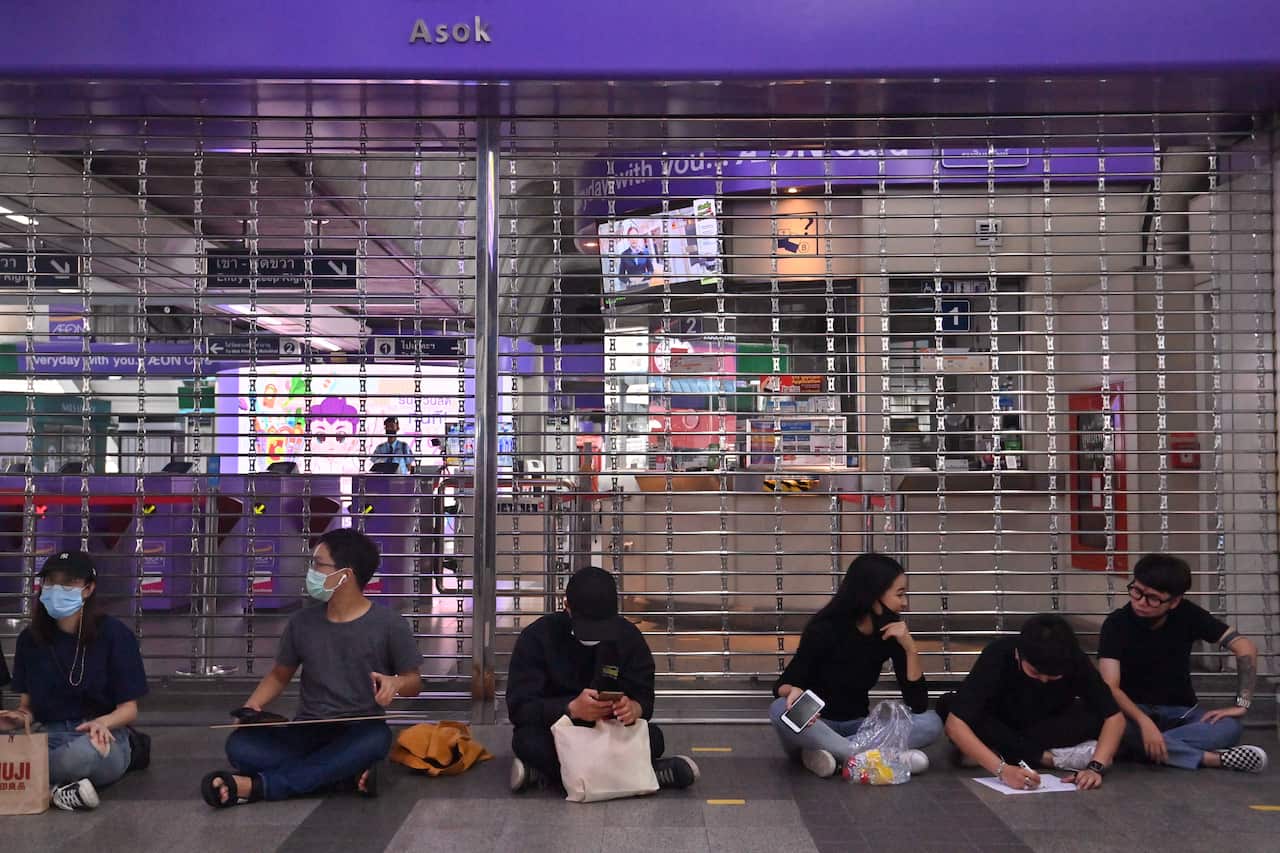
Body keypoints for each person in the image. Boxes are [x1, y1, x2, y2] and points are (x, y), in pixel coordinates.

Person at [201, 528, 422, 807]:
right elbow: (280, 675)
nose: (312, 571)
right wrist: (251, 708)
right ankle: (343, 775)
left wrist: (396, 683)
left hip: (359, 730)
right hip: (306, 729)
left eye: (318, 564)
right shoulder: (302, 622)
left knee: (376, 741)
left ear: (346, 575)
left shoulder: (390, 624)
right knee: (240, 746)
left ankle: (258, 786)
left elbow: (414, 682)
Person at [505, 566, 698, 794]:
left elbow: (644, 700)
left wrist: (633, 708)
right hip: (560, 732)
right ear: (566, 607)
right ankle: (648, 774)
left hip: (608, 731)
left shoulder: (627, 637)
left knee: (654, 738)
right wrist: (570, 709)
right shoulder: (537, 638)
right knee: (527, 742)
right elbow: (520, 709)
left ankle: (546, 776)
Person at [769, 553, 942, 778]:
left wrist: (910, 649)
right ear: (873, 595)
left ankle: (833, 757)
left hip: (860, 726)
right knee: (779, 709)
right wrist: (793, 692)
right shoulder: (825, 629)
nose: (905, 602)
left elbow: (917, 704)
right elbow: (781, 687)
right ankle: (867, 757)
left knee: (931, 722)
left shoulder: (890, 632)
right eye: (899, 594)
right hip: (817, 725)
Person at [0, 550, 147, 811]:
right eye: (50, 582)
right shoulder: (29, 640)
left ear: (88, 589)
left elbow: (129, 709)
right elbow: (28, 708)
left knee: (80, 756)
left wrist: (103, 722)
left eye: (68, 583)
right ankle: (59, 792)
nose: (56, 589)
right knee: (49, 756)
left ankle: (34, 782)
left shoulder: (114, 634)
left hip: (101, 738)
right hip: (50, 735)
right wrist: (18, 718)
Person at [1099, 553, 1267, 773]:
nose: (1140, 602)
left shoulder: (1188, 614)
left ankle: (1149, 750)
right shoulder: (1116, 623)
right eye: (1136, 591)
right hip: (1133, 713)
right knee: (1110, 726)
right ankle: (1211, 759)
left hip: (1182, 712)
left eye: (1153, 598)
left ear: (1175, 601)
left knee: (1229, 727)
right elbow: (1110, 686)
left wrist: (1241, 704)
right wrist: (1144, 722)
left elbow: (1246, 648)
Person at [940, 613, 1125, 791]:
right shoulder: (998, 654)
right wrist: (1003, 771)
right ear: (1018, 656)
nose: (1043, 680)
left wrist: (1094, 768)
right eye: (1035, 673)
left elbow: (1114, 717)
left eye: (1053, 676)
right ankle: (1046, 758)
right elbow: (955, 724)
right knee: (949, 705)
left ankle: (1006, 753)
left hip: (1046, 726)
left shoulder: (1073, 658)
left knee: (1095, 719)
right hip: (1003, 723)